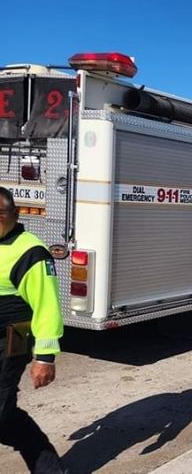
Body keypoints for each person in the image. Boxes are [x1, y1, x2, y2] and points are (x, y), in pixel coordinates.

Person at [0, 187, 65, 473]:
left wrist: (45, 358)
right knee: (5, 415)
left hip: (9, 342)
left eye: (0, 214)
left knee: (1, 412)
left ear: (15, 214)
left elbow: (47, 307)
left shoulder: (31, 252)